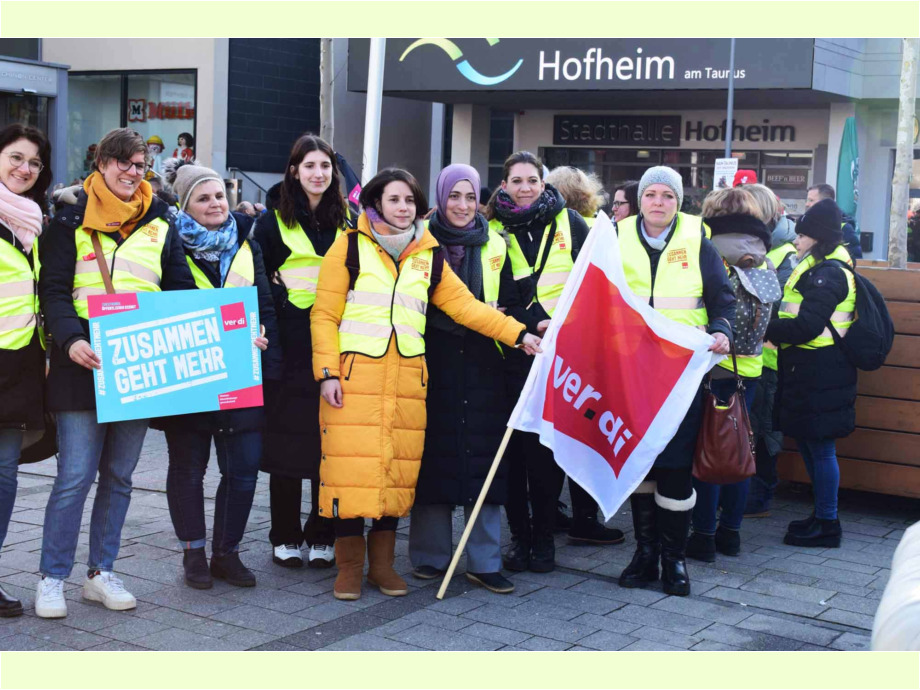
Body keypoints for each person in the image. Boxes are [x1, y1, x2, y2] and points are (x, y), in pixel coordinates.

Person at [311, 168, 540, 601]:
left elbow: (466, 307)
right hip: (354, 379)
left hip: (408, 381)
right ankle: (349, 568)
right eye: (394, 200)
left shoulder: (427, 252)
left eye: (409, 202)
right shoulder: (349, 247)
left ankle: (381, 567)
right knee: (349, 472)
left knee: (395, 474)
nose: (403, 209)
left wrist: (519, 334)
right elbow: (323, 316)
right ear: (375, 203)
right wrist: (326, 374)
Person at [37, 128, 196, 618]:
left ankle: (100, 573)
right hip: (82, 362)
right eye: (123, 163)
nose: (132, 173)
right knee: (76, 476)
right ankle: (51, 577)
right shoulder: (67, 221)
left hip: (139, 367)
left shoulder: (161, 221)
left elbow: (182, 293)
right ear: (101, 164)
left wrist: (231, 338)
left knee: (121, 476)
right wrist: (71, 340)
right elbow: (55, 293)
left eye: (140, 165)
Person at [486, 151, 621, 576]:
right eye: (516, 180)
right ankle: (519, 539)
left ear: (544, 184)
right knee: (512, 457)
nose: (525, 187)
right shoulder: (490, 229)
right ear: (504, 184)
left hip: (558, 357)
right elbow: (493, 291)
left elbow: (595, 284)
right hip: (509, 352)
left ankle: (544, 542)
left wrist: (565, 327)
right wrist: (531, 323)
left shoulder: (571, 222)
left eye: (532, 180)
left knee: (543, 455)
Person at [151, 160, 280, 589]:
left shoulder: (247, 241)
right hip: (189, 376)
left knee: (243, 468)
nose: (214, 204)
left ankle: (227, 552)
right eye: (203, 198)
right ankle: (193, 553)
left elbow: (264, 305)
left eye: (219, 196)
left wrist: (268, 360)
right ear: (186, 205)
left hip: (243, 374)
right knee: (188, 468)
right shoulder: (169, 242)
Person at [615, 166, 735, 596]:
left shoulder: (698, 244)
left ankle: (674, 559)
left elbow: (724, 299)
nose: (659, 202)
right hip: (630, 376)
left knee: (676, 468)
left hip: (680, 376)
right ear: (640, 199)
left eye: (668, 195)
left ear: (678, 201)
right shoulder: (614, 239)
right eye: (652, 194)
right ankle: (644, 553)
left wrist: (722, 328)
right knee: (640, 465)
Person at [408, 164, 519, 595]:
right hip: (432, 353)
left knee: (485, 458)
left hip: (484, 356)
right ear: (439, 197)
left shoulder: (496, 242)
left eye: (470, 197)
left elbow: (512, 296)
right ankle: (431, 556)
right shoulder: (419, 241)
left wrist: (517, 319)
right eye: (454, 196)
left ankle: (484, 561)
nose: (462, 205)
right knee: (433, 454)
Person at [253, 134, 348, 570]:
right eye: (309, 166)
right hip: (289, 343)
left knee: (329, 443)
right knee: (287, 445)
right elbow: (257, 279)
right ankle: (285, 533)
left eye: (325, 167)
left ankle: (322, 531)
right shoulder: (272, 221)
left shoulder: (346, 221)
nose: (318, 174)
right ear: (294, 170)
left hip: (335, 340)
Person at [686, 187, 780, 562]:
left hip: (713, 366)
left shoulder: (708, 251)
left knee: (709, 450)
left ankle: (704, 535)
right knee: (739, 450)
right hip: (751, 369)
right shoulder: (764, 259)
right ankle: (731, 534)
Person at [765, 198, 857, 548]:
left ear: (817, 237)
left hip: (822, 370)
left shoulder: (829, 272)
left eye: (802, 234)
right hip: (810, 368)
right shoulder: (822, 267)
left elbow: (806, 325)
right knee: (809, 442)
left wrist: (766, 329)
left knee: (820, 448)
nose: (797, 240)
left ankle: (828, 522)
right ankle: (821, 515)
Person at [0, 124, 53, 617]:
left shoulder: (30, 224)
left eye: (34, 163)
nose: (25, 169)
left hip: (18, 369)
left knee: (4, 479)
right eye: (16, 158)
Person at [743, 186, 799, 518]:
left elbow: (776, 310)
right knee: (745, 426)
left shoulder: (782, 254)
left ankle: (759, 495)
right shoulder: (761, 248)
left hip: (767, 360)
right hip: (746, 357)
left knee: (762, 429)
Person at [805, 184, 862, 260]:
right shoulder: (806, 227)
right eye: (807, 200)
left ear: (826, 203)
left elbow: (856, 261)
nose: (807, 204)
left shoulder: (845, 229)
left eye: (811, 200)